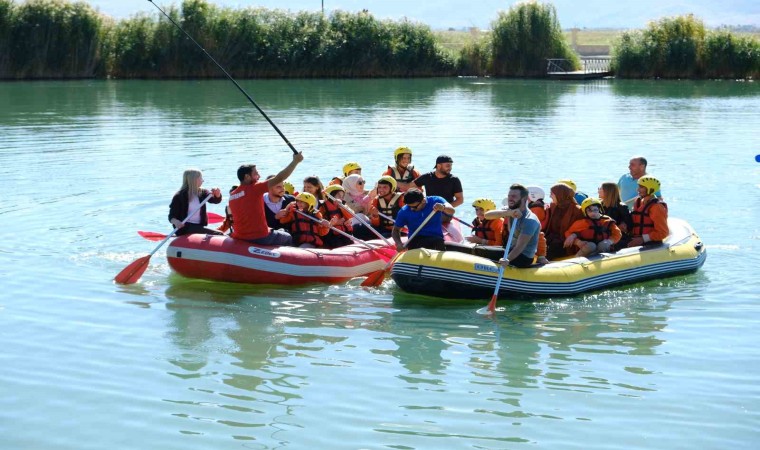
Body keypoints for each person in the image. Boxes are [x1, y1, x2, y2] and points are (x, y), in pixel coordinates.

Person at [228, 151, 303, 245]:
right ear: (247, 177)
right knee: (288, 237)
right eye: (256, 174)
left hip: (240, 237)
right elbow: (279, 178)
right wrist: (295, 161)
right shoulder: (254, 188)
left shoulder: (232, 196)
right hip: (260, 237)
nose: (259, 176)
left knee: (279, 231)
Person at [484, 184, 541, 268]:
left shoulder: (530, 220)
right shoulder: (510, 210)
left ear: (524, 199)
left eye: (514, 196)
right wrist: (508, 213)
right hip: (509, 249)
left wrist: (507, 259)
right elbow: (487, 215)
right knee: (478, 250)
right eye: (509, 196)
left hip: (523, 256)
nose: (510, 199)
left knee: (482, 253)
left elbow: (520, 246)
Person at [168, 169, 223, 236]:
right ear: (194, 180)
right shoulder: (179, 196)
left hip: (199, 226)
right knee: (219, 234)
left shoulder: (203, 192)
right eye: (201, 178)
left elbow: (215, 200)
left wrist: (217, 194)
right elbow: (171, 216)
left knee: (218, 233)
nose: (203, 180)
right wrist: (176, 222)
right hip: (185, 227)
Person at [543, 182, 584, 259]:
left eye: (552, 194)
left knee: (553, 247)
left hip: (565, 242)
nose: (550, 196)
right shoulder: (553, 206)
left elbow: (583, 227)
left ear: (560, 195)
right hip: (551, 238)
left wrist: (574, 235)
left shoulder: (577, 210)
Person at [628, 176, 669, 247]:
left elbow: (662, 233)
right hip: (636, 239)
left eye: (641, 187)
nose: (638, 189)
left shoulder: (657, 207)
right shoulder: (638, 201)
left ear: (650, 189)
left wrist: (642, 239)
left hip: (650, 243)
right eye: (638, 186)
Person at [598, 181, 632, 249]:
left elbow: (628, 226)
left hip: (618, 239)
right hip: (602, 237)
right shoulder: (598, 206)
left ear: (607, 192)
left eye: (600, 189)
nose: (598, 191)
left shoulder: (622, 207)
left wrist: (623, 226)